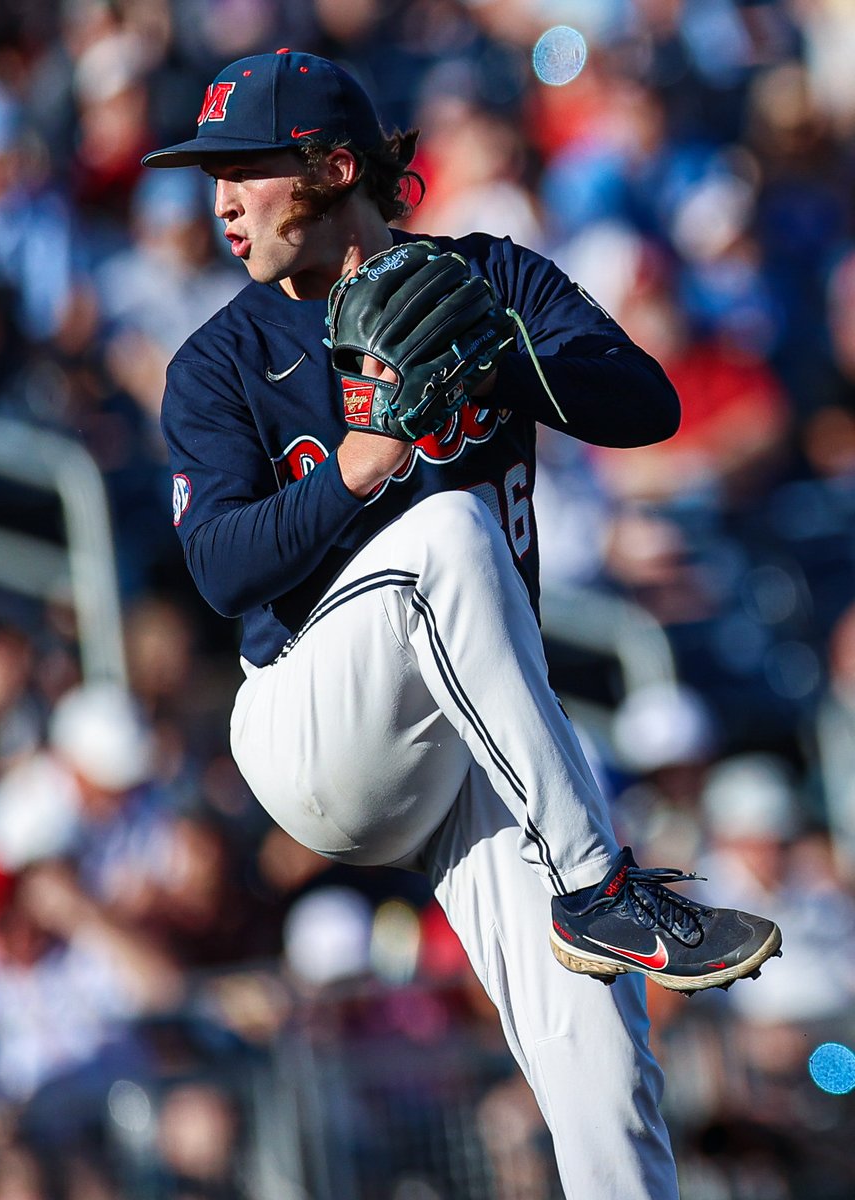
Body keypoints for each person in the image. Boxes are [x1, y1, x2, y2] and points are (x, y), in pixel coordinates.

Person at [142, 48, 782, 1200]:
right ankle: (601, 889)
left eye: (247, 169)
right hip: (312, 724)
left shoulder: (484, 276)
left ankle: (603, 937)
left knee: (603, 1050)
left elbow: (649, 403)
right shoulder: (221, 360)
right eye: (213, 175)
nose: (223, 199)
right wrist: (357, 469)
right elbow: (221, 569)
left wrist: (503, 347)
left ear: (337, 168)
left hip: (471, 745)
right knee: (446, 530)